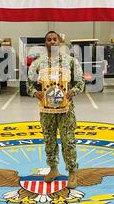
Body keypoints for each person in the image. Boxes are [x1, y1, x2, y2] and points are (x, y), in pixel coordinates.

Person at [26, 31, 85, 188]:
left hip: (66, 110)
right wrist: (34, 92)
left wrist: (74, 91)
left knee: (68, 141)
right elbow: (28, 84)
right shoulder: (38, 63)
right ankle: (53, 169)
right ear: (45, 43)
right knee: (49, 140)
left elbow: (81, 82)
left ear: (60, 42)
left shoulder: (71, 61)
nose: (52, 42)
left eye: (55, 39)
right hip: (47, 111)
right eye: (49, 39)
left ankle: (72, 173)